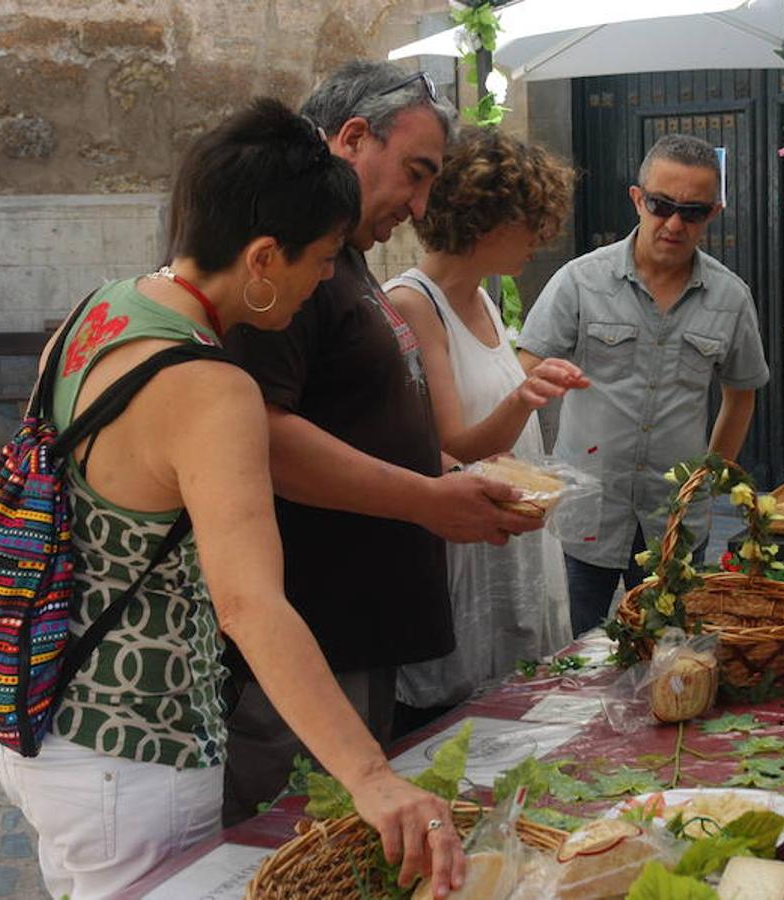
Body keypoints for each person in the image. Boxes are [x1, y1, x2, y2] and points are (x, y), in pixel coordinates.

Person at [0, 99, 465, 899]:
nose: (324, 281)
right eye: (319, 260)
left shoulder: (95, 311)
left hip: (43, 720)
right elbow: (251, 605)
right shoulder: (212, 391)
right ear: (263, 257)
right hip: (134, 748)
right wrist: (372, 777)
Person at [221, 63, 543, 825]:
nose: (423, 204)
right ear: (352, 138)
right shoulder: (283, 261)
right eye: (416, 174)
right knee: (297, 846)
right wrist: (430, 499)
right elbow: (262, 435)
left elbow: (361, 420)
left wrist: (455, 481)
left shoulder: (346, 260)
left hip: (361, 640)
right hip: (311, 645)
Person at [517, 133, 770, 637]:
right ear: (637, 199)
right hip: (586, 508)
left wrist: (707, 479)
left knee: (671, 653)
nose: (674, 223)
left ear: (713, 214)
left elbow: (741, 396)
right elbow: (526, 366)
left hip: (674, 519)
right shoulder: (580, 281)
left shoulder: (730, 298)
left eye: (692, 212)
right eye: (661, 205)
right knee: (570, 653)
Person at [383, 127, 586, 727]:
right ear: (485, 219)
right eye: (532, 222)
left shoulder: (486, 298)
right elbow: (454, 444)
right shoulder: (414, 303)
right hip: (466, 554)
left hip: (510, 542)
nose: (541, 239)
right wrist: (526, 396)